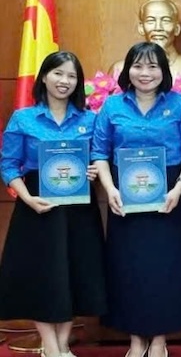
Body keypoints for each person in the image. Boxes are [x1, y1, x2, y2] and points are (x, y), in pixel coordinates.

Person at [93, 41, 181, 357]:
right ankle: (136, 339)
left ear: (163, 71)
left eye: (153, 66)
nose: (145, 73)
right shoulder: (113, 107)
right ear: (128, 71)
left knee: (165, 267)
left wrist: (179, 187)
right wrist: (110, 189)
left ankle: (158, 339)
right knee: (129, 268)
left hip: (169, 194)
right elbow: (100, 152)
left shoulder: (180, 105)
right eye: (138, 66)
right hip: (123, 196)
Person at [0, 51, 107, 357]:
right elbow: (9, 165)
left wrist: (93, 171)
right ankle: (50, 345)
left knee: (73, 273)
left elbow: (100, 160)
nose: (65, 81)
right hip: (37, 206)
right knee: (42, 276)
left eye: (72, 76)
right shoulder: (23, 118)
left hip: (78, 209)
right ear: (44, 77)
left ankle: (62, 344)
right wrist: (27, 198)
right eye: (58, 74)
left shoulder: (90, 119)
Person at [110, 0, 181, 80]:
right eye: (151, 21)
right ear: (141, 28)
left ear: (177, 28)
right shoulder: (120, 69)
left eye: (166, 21)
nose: (158, 28)